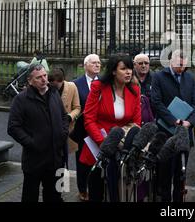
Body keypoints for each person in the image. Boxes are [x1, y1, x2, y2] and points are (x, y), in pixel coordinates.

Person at [79, 55, 141, 201]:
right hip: (99, 146)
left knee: (120, 192)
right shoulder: (98, 87)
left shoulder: (135, 90)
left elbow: (137, 122)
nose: (128, 72)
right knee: (97, 191)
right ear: (113, 71)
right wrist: (104, 143)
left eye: (130, 69)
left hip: (123, 147)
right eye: (123, 69)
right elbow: (88, 119)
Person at [7, 63, 69, 202]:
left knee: (56, 195)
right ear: (30, 81)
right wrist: (32, 142)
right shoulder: (21, 99)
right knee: (30, 196)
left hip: (56, 158)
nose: (43, 79)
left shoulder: (54, 93)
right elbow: (13, 127)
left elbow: (64, 116)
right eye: (38, 77)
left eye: (45, 76)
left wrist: (63, 133)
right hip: (34, 160)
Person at [151, 50, 195, 202]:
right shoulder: (159, 76)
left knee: (181, 174)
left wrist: (189, 122)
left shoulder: (190, 77)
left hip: (184, 132)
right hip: (166, 132)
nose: (182, 68)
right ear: (171, 61)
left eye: (184, 65)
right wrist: (174, 120)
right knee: (165, 173)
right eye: (179, 64)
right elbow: (156, 102)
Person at [72, 53, 101, 201]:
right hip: (82, 131)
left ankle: (98, 188)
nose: (97, 65)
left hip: (100, 129)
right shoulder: (76, 84)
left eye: (99, 63)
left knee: (99, 161)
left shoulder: (105, 83)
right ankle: (82, 189)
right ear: (85, 66)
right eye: (93, 63)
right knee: (82, 162)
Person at [48, 68, 81, 155]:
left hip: (65, 129)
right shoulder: (46, 87)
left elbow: (77, 108)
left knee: (63, 157)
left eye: (56, 85)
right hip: (49, 130)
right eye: (51, 84)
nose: (53, 88)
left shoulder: (72, 87)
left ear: (62, 80)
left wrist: (70, 117)